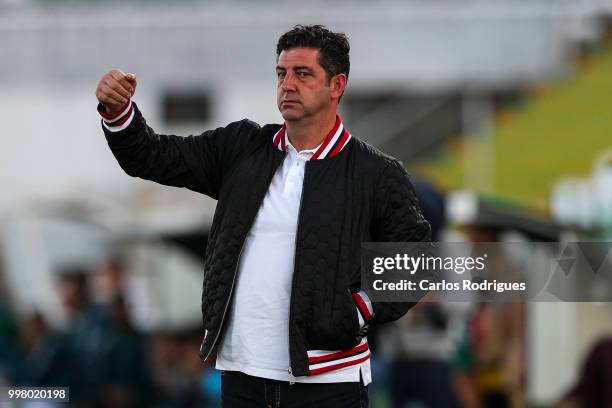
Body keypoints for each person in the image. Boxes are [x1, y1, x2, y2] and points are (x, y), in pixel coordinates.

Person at [95, 24, 430, 407]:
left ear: (336, 85)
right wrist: (120, 113)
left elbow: (416, 260)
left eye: (303, 74)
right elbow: (154, 156)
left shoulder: (377, 173)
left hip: (329, 381)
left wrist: (356, 310)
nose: (288, 84)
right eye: (281, 73)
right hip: (242, 375)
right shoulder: (242, 148)